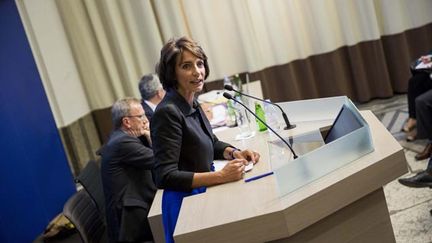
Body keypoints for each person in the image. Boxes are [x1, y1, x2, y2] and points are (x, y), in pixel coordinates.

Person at [151, 36, 260, 243]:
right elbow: (164, 176)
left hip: (202, 194)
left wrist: (234, 152)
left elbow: (210, 143)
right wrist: (222, 177)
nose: (197, 71)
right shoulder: (167, 112)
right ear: (172, 73)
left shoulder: (191, 101)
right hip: (186, 204)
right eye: (186, 66)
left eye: (199, 63)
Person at [100, 97, 156, 243]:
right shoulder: (122, 143)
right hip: (130, 222)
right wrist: (150, 136)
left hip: (134, 203)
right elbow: (160, 161)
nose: (145, 120)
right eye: (141, 116)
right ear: (126, 122)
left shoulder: (123, 137)